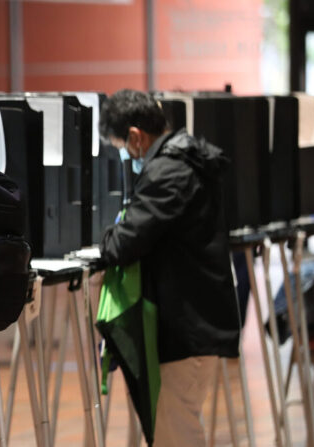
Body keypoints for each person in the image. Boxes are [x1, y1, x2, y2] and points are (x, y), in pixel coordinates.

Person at [99, 89, 241, 446]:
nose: (127, 156)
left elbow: (123, 243)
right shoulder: (189, 158)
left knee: (175, 433)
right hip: (196, 321)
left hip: (184, 329)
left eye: (122, 147)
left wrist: (104, 237)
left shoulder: (168, 171)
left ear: (136, 136)